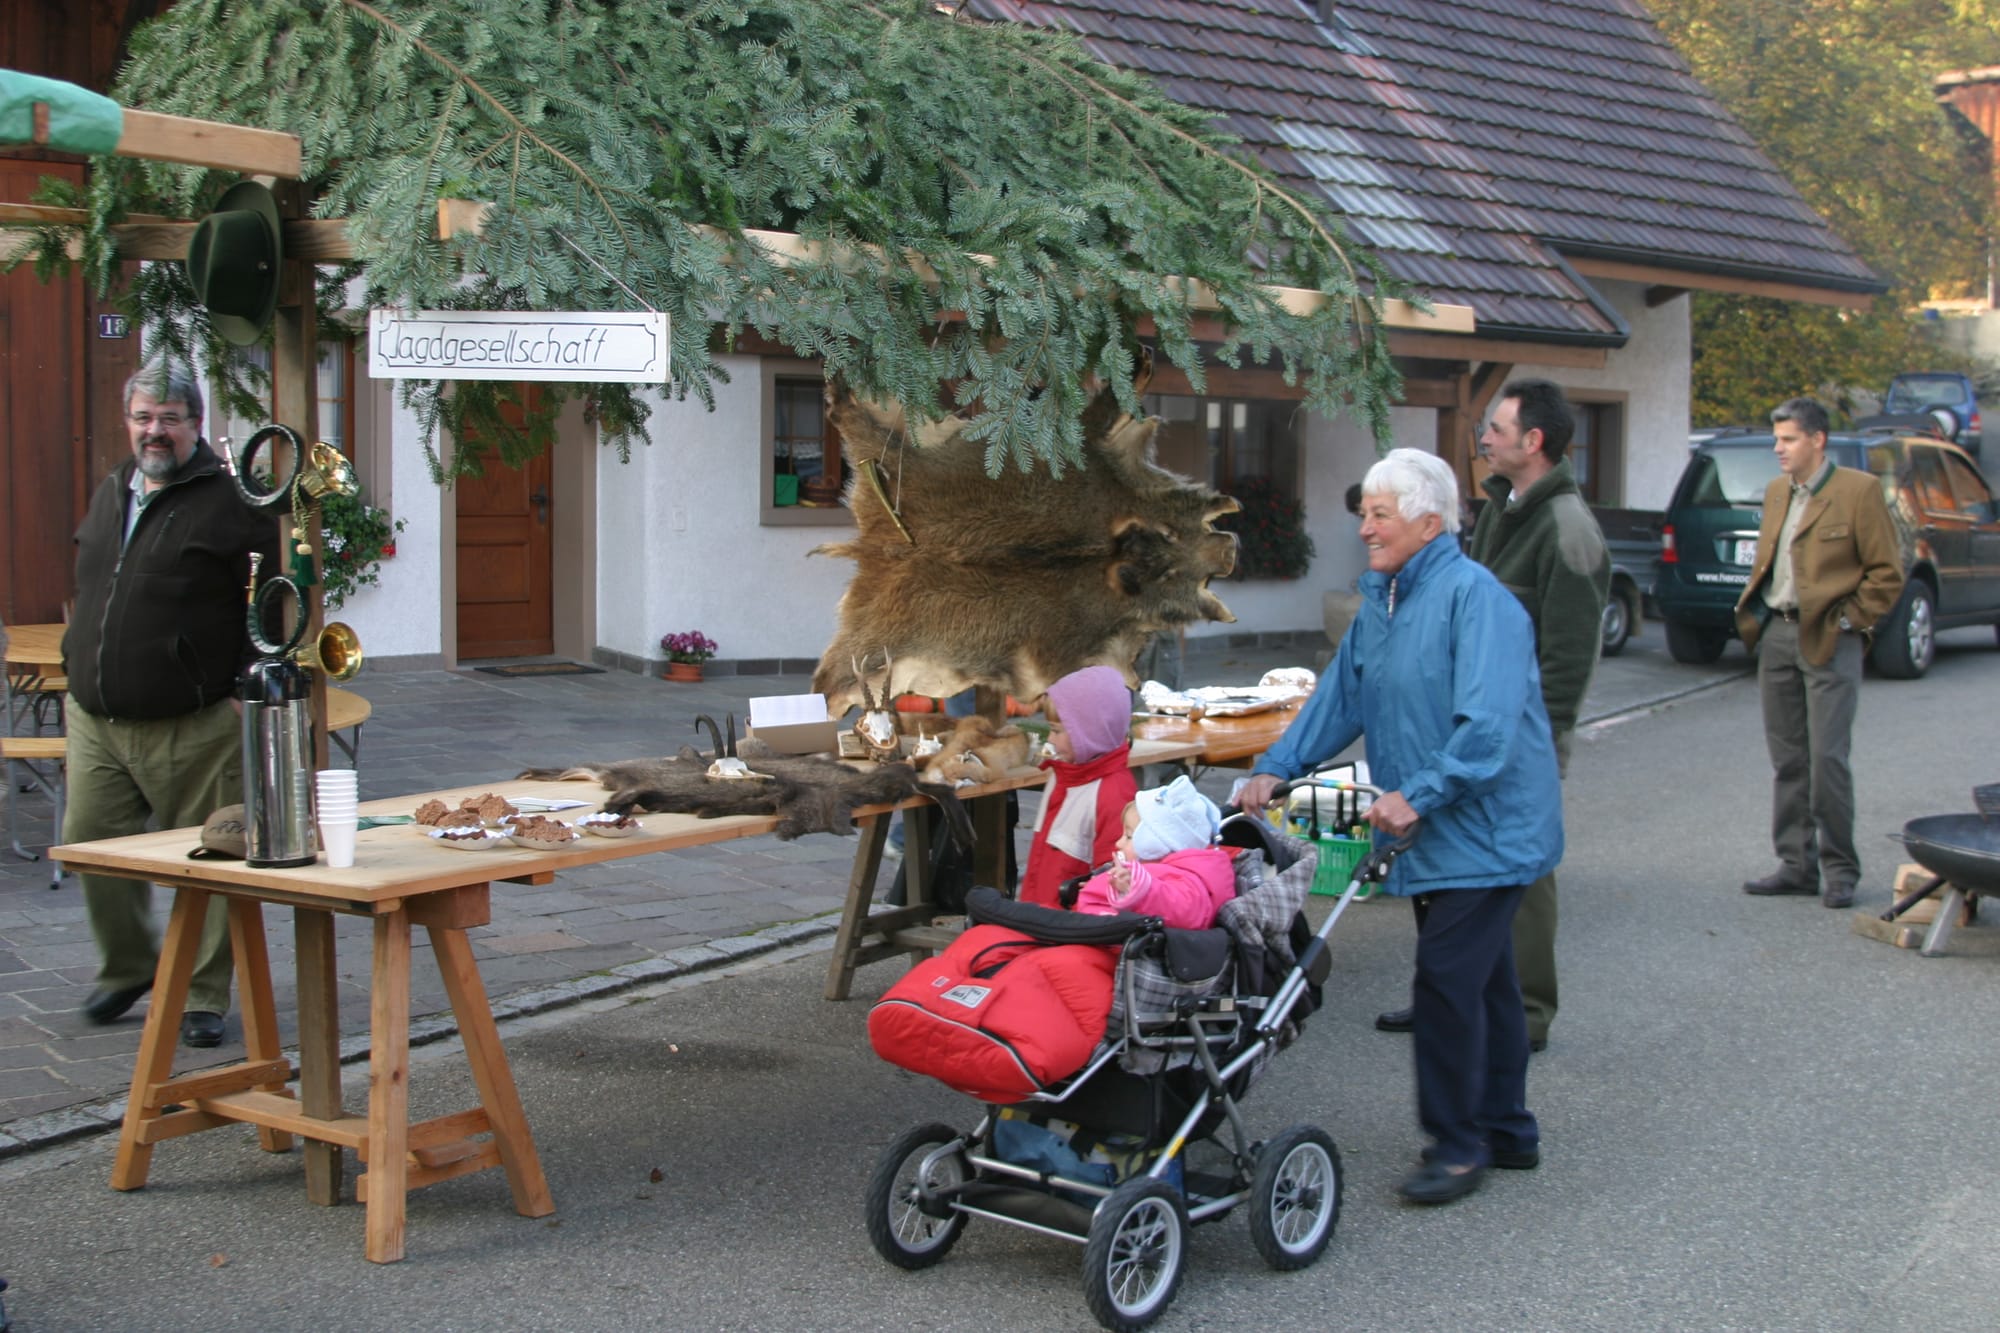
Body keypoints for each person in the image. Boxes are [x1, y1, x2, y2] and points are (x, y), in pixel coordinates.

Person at [1234, 449, 1561, 1206]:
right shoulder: (1383, 601)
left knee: (1447, 981)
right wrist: (1278, 765)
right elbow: (1341, 697)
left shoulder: (1478, 601)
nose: (1365, 527)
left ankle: (1458, 1145)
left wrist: (1420, 792)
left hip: (1487, 827)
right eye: (1365, 513)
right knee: (1487, 980)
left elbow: (1487, 728)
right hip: (1433, 824)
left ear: (1429, 523)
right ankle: (1507, 1127)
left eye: (1381, 514)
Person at [1378, 379, 1608, 1052]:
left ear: (1533, 441)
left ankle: (1525, 1015)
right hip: (1462, 722)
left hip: (1518, 736)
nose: (1483, 439)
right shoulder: (1505, 508)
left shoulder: (1568, 528)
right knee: (1447, 852)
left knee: (1521, 870)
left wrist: (1543, 742)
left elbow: (1569, 654)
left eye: (1496, 429)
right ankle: (1447, 996)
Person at [63, 361, 278, 1049]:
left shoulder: (231, 500)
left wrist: (246, 684)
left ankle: (203, 995)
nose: (154, 430)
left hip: (193, 722)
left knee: (209, 856)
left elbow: (276, 596)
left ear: (195, 424)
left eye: (169, 419)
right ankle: (129, 966)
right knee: (91, 844)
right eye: (143, 417)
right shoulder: (114, 488)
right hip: (96, 720)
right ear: (127, 421)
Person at [1733, 397, 1903, 909]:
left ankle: (1840, 870)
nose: (1778, 448)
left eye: (1788, 439)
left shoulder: (1858, 490)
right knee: (1789, 761)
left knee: (1827, 759)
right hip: (1777, 634)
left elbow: (1886, 573)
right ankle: (1796, 866)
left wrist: (1849, 620)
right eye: (1776, 439)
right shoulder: (1777, 492)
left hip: (1830, 636)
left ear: (1817, 440)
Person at [1018, 665, 1138, 909]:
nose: (1050, 739)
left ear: (1089, 732)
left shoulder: (1113, 794)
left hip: (1070, 923)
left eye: (1057, 731)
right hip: (1038, 915)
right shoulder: (1062, 776)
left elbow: (1112, 879)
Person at [1071, 776, 1233, 929]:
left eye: (1129, 836)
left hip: (1128, 943)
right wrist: (1103, 886)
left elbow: (1185, 911)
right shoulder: (1168, 870)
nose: (1118, 843)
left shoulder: (1188, 879)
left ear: (1156, 844)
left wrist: (1138, 889)